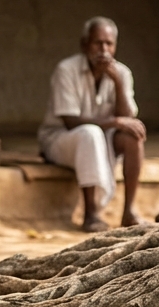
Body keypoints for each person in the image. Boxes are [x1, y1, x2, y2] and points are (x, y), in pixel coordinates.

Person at [38, 17, 146, 231]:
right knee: (90, 133)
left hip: (101, 139)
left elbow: (127, 117)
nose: (103, 50)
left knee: (132, 135)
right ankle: (91, 214)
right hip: (60, 140)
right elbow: (70, 121)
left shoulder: (122, 73)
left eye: (109, 44)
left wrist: (117, 83)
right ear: (84, 44)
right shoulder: (66, 70)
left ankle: (129, 211)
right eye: (98, 43)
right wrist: (114, 121)